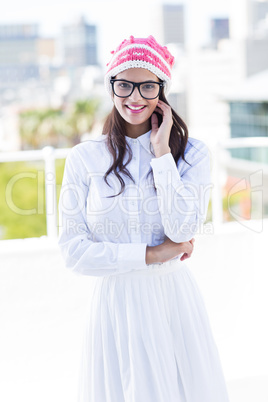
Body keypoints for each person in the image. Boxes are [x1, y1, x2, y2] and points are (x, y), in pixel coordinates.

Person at [58, 35, 230, 402]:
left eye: (147, 85)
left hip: (173, 299)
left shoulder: (193, 154)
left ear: (162, 90)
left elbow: (183, 229)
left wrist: (162, 153)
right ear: (111, 87)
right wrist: (149, 255)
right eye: (124, 84)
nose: (134, 97)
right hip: (117, 302)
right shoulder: (84, 158)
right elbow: (73, 251)